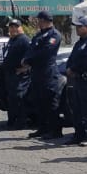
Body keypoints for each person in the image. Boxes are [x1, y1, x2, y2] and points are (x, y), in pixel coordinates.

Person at [25, 11, 63, 140]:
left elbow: (45, 52)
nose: (37, 22)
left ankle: (55, 130)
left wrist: (29, 60)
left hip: (48, 72)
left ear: (44, 20)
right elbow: (30, 49)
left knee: (50, 102)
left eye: (39, 20)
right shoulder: (39, 35)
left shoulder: (54, 35)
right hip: (37, 72)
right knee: (39, 101)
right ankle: (43, 128)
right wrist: (26, 59)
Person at [64, 17, 87, 146]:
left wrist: (73, 69)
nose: (77, 29)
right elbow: (72, 58)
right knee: (77, 109)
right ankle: (78, 135)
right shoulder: (79, 43)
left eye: (80, 26)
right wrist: (69, 68)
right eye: (77, 26)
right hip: (78, 81)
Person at [1, 19, 31, 129]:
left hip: (20, 74)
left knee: (18, 97)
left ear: (20, 27)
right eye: (11, 27)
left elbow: (30, 56)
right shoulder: (12, 40)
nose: (13, 29)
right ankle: (12, 120)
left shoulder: (24, 40)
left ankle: (21, 122)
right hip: (10, 73)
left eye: (15, 27)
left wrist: (25, 68)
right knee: (11, 98)